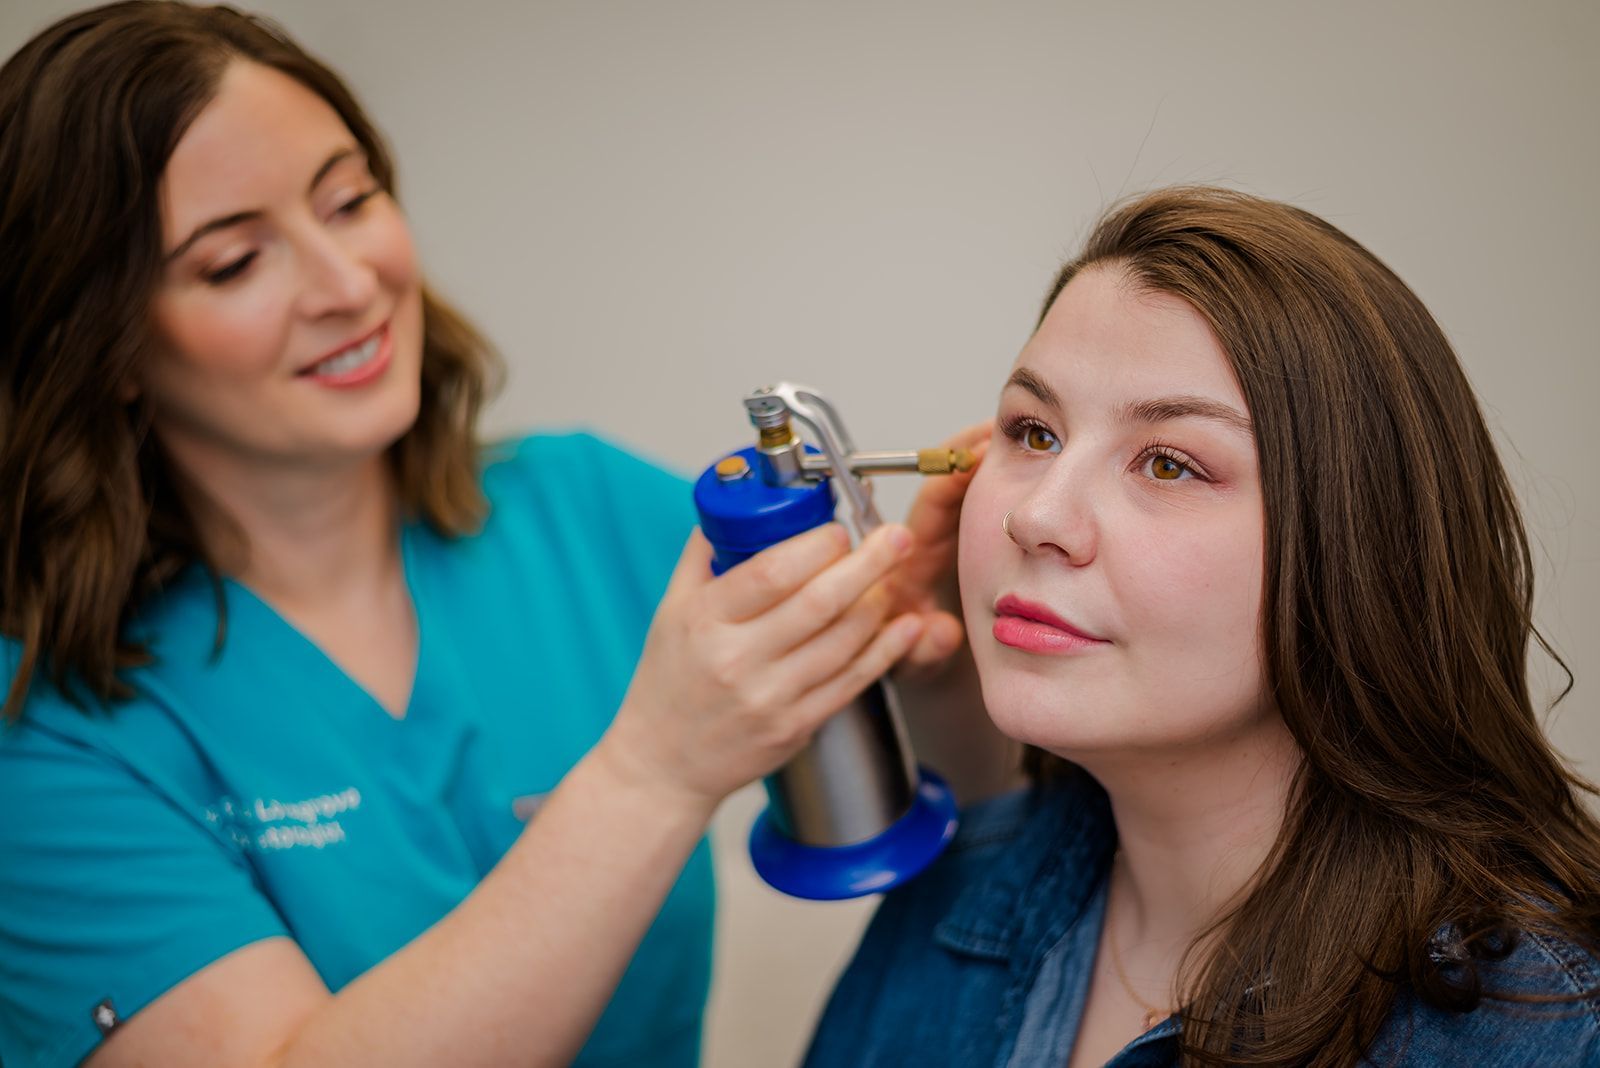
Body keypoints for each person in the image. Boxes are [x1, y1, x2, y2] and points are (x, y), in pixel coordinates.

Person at [0, 4, 1005, 1067]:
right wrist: (651, 772)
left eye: (349, 200)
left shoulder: (588, 512)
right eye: (234, 262)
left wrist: (929, 659)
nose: (348, 286)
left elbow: (964, 839)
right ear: (98, 342)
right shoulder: (45, 735)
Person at [805, 187, 1600, 1067]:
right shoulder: (947, 904)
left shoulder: (1551, 1030)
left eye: (1170, 462)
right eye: (1034, 432)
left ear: (1360, 548)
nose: (1038, 516)